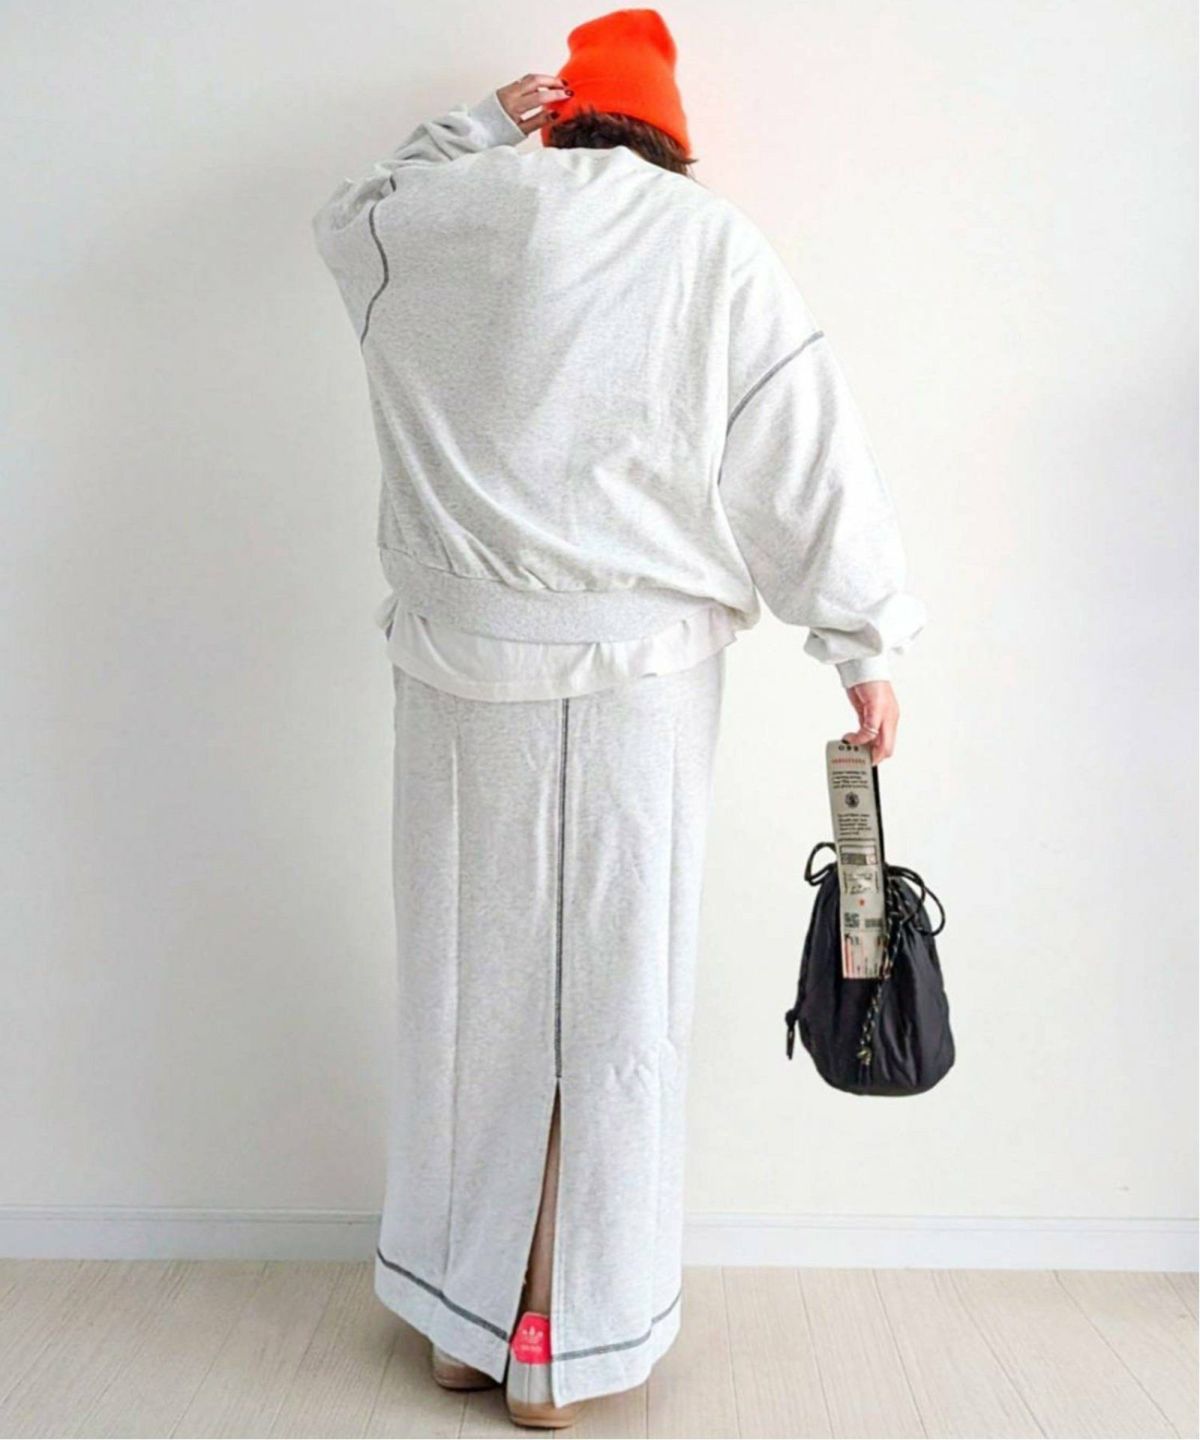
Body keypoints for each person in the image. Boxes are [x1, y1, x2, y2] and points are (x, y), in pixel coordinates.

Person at [312, 7, 926, 1428]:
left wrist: (475, 125)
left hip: (458, 670)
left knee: (468, 993)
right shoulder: (707, 243)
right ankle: (563, 1339)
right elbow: (802, 449)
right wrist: (863, 643)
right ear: (670, 135)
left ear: (566, 116)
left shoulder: (439, 220)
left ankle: (461, 1321)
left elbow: (343, 217)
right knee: (615, 1003)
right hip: (640, 674)